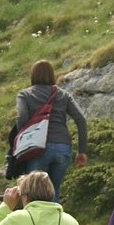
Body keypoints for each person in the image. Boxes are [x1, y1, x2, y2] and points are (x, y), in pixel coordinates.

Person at [16, 59, 88, 201]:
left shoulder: (25, 95)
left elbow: (22, 118)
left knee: (34, 193)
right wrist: (82, 151)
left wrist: (22, 141)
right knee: (53, 191)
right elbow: (81, 120)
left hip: (37, 148)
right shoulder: (63, 95)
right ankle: (56, 222)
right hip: (63, 148)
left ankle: (35, 222)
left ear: (33, 76)